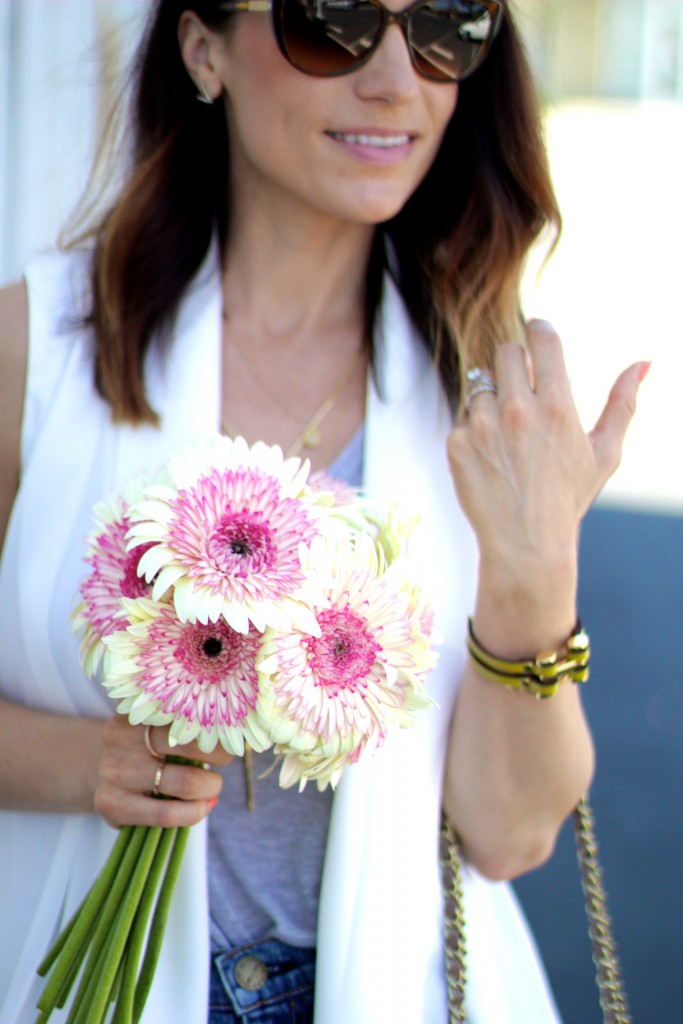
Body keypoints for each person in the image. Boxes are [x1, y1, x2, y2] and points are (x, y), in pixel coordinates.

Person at [0, 1, 647, 1022]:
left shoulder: (488, 394)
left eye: (445, 24)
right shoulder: (35, 349)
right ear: (203, 46)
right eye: (331, 20)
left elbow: (509, 834)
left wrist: (532, 573)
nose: (396, 78)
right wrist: (96, 762)